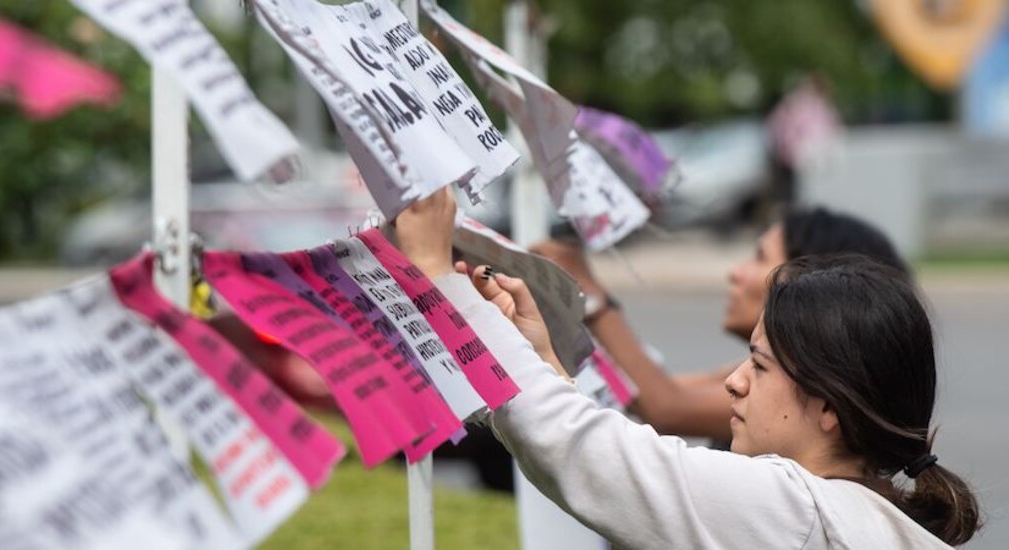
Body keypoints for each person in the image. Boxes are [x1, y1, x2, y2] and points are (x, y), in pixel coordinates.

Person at [392, 189, 981, 549]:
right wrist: (544, 361)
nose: (734, 380)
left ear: (831, 406)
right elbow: (611, 452)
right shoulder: (856, 513)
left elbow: (593, 455)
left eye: (759, 365)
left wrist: (437, 276)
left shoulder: (794, 508)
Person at [530, 208, 909, 440]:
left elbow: (665, 406)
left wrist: (592, 297)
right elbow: (640, 392)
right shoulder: (746, 374)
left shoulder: (787, 393)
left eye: (760, 258)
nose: (736, 273)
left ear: (814, 282)